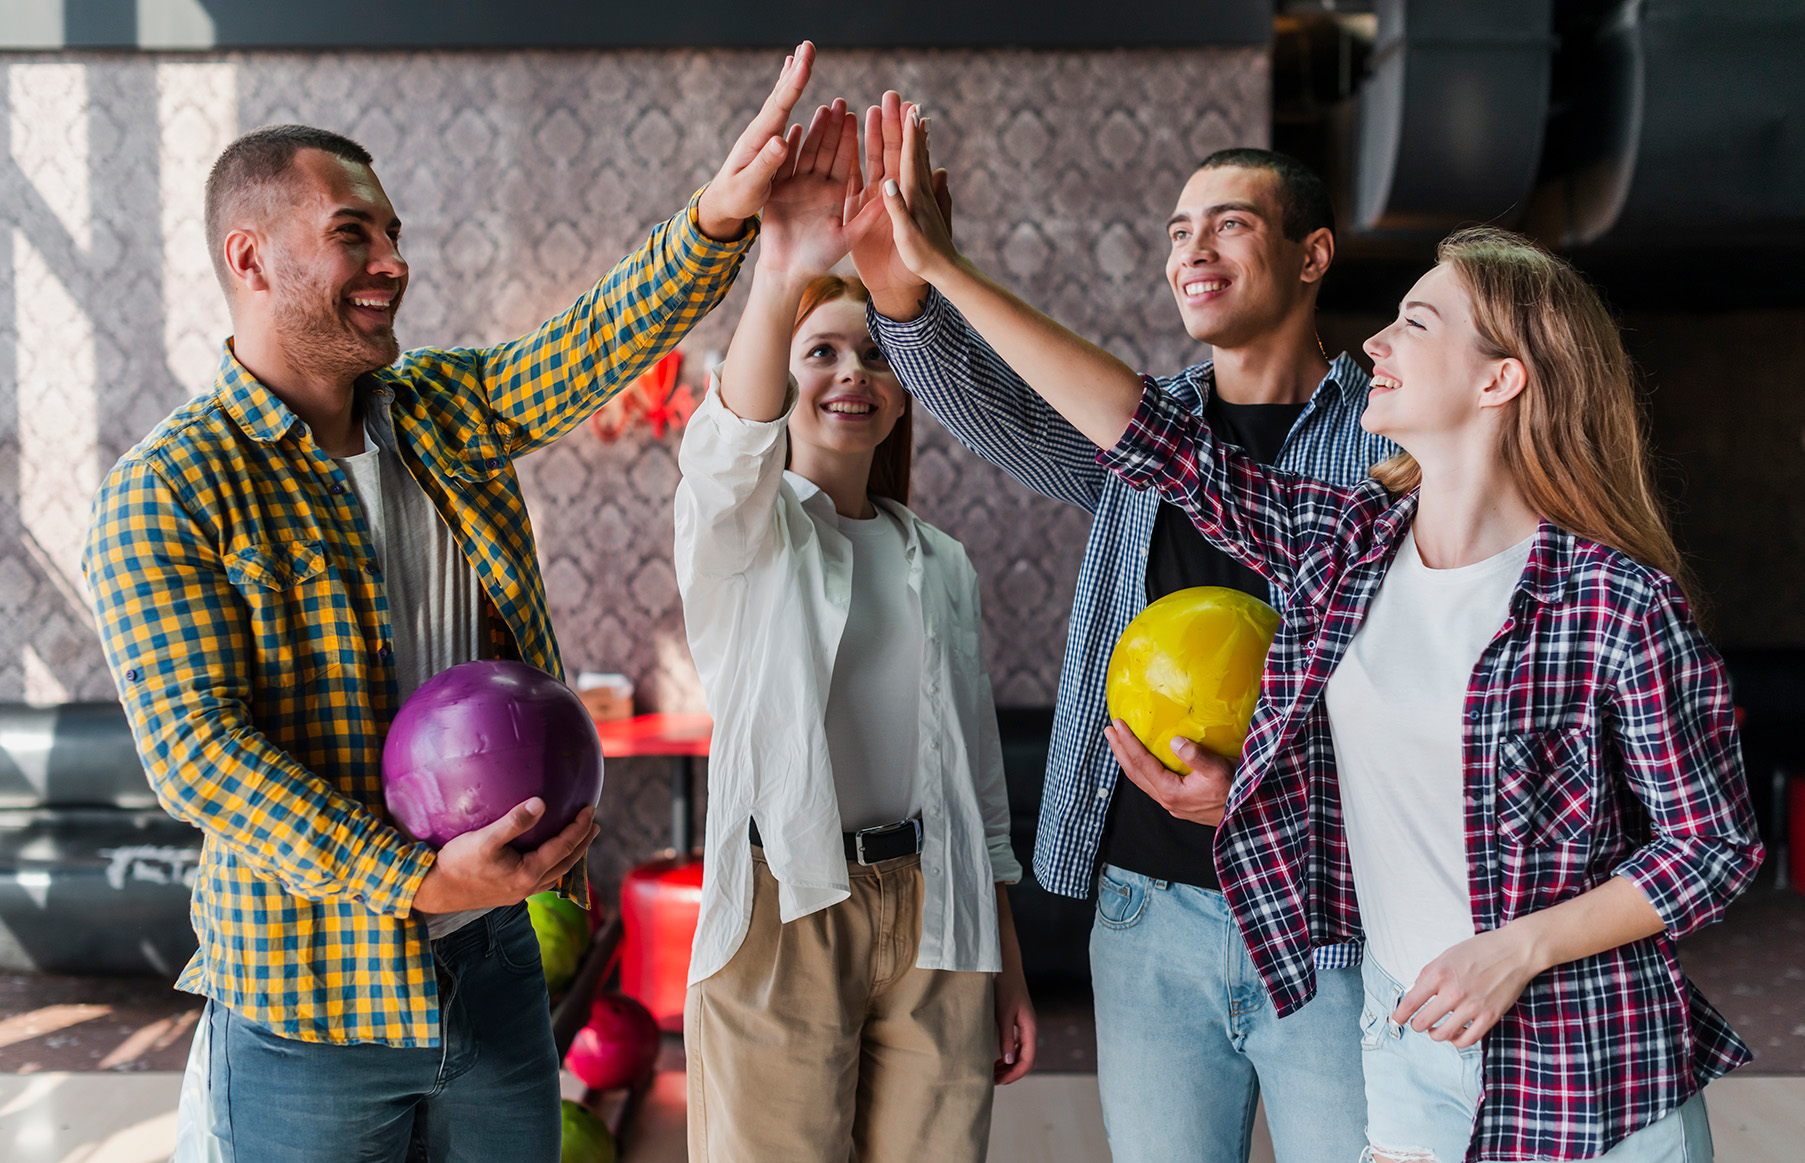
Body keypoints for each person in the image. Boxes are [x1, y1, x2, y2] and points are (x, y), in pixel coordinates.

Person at [876, 112, 1762, 1160]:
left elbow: (1711, 846)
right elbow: (1142, 435)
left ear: (1498, 379)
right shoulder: (1348, 551)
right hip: (1402, 1044)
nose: (1377, 340)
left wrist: (1514, 949)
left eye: (1415, 325)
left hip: (1580, 1069)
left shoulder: (1612, 601)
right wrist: (932, 269)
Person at [81, 42, 825, 1163]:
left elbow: (595, 341)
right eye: (353, 234)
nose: (391, 260)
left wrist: (717, 219)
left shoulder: (440, 410)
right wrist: (416, 876)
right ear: (250, 256)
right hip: (305, 1007)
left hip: (490, 975)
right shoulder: (169, 487)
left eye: (391, 234)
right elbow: (198, 750)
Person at [849, 95, 1392, 1159]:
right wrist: (896, 286)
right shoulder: (1141, 432)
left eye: (1227, 223)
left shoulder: (1389, 437)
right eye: (1176, 232)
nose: (1191, 250)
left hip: (1332, 913)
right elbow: (985, 404)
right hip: (1149, 916)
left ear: (1310, 252)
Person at [674, 98, 1035, 1163]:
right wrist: (782, 270)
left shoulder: (942, 562)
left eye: (877, 358)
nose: (851, 375)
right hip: (785, 903)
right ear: (784, 372)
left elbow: (977, 781)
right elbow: (724, 454)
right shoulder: (745, 538)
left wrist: (1006, 960)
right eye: (822, 352)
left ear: (900, 395)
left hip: (938, 906)